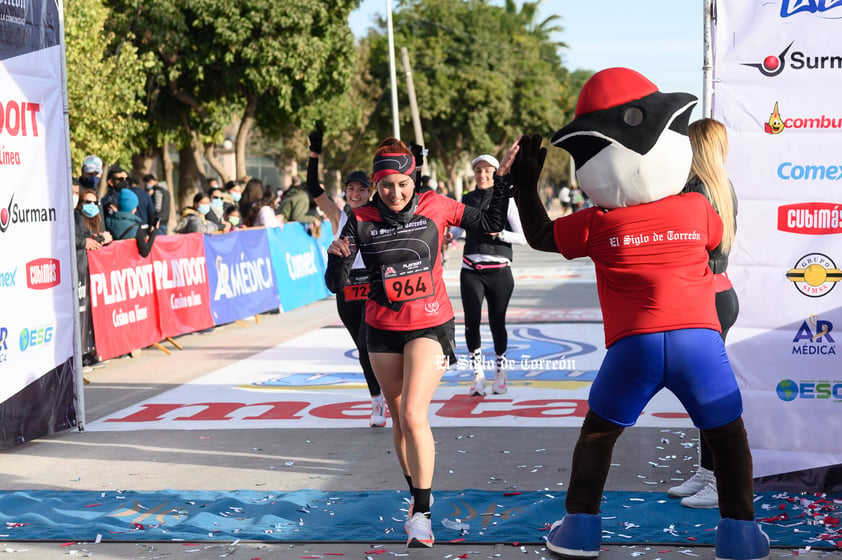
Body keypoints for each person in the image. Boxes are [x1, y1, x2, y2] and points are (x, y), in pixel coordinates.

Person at [509, 68, 767, 560]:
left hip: (634, 346)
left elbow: (541, 235)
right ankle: (740, 535)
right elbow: (715, 240)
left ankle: (580, 529)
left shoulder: (595, 221)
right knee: (728, 437)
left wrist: (526, 183)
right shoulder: (695, 208)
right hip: (699, 341)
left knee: (600, 434)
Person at [325, 137, 514, 549]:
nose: (395, 193)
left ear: (413, 180)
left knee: (413, 413)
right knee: (398, 417)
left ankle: (423, 516)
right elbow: (335, 285)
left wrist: (501, 181)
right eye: (386, 185)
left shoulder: (438, 205)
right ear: (376, 186)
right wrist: (336, 258)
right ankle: (416, 497)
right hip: (381, 327)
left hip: (430, 324)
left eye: (402, 183)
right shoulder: (360, 218)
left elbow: (489, 222)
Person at [666, 118, 738, 510]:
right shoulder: (717, 186)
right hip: (713, 295)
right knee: (701, 393)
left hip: (708, 298)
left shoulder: (699, 191)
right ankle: (708, 472)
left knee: (708, 394)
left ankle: (720, 479)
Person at [306, 122, 386, 427]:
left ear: (369, 192)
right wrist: (315, 154)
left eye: (361, 189)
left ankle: (386, 396)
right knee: (363, 349)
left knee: (373, 344)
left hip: (374, 288)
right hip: (347, 290)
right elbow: (314, 189)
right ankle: (377, 399)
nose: (355, 193)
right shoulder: (338, 216)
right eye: (351, 189)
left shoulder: (378, 214)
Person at [458, 153, 526, 396]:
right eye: (478, 171)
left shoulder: (506, 200)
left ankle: (500, 371)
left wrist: (501, 235)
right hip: (471, 270)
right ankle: (477, 376)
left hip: (499, 271)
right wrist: (449, 235)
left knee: (498, 323)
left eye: (488, 171)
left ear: (496, 173)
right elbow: (457, 229)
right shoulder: (466, 199)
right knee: (471, 323)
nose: (483, 175)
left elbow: (524, 237)